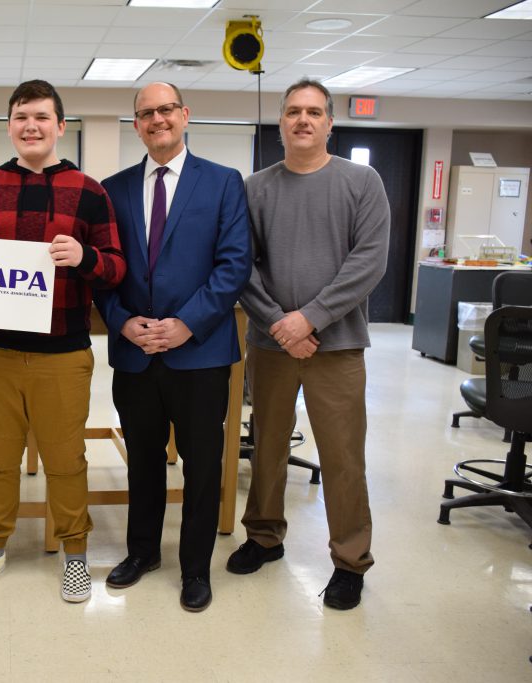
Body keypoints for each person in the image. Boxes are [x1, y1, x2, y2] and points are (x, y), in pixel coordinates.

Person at [0, 79, 125, 603]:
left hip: (63, 353)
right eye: (22, 116)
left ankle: (76, 553)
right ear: (9, 125)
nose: (31, 126)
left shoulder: (90, 191)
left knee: (66, 459)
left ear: (60, 126)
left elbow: (116, 269)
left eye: (42, 117)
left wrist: (86, 258)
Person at [230, 78, 390, 610]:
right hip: (272, 345)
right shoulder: (255, 188)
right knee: (268, 445)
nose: (304, 120)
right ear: (280, 123)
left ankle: (349, 561)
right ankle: (264, 536)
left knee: (343, 456)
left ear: (328, 123)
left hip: (338, 346)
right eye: (294, 111)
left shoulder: (362, 182)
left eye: (314, 112)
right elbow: (241, 265)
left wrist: (311, 319)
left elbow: (368, 262)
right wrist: (280, 323)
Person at [93, 82, 252, 612]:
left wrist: (186, 324)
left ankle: (195, 569)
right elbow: (103, 273)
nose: (157, 119)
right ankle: (142, 553)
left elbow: (234, 266)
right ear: (135, 124)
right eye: (145, 113)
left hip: (199, 353)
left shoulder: (224, 183)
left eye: (166, 110)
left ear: (185, 115)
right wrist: (121, 321)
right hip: (136, 354)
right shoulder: (111, 191)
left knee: (202, 464)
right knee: (141, 459)